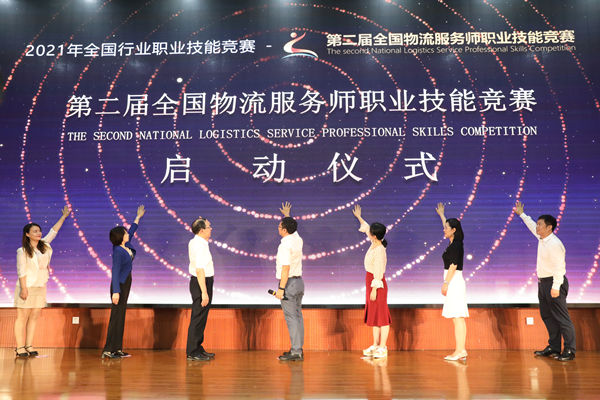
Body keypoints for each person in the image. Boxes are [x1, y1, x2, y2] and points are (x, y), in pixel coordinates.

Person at [514, 201, 576, 361]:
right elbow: (531, 225)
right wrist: (522, 214)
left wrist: (556, 287)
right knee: (547, 316)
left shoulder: (555, 244)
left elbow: (559, 267)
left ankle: (570, 350)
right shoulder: (543, 239)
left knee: (562, 318)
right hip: (543, 283)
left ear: (549, 227)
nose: (537, 227)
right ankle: (554, 347)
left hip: (554, 283)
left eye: (540, 224)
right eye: (537, 224)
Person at [14, 206, 70, 357]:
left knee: (34, 316)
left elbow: (53, 231)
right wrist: (24, 289)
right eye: (35, 231)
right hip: (27, 287)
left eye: (39, 231)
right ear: (27, 234)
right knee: (22, 317)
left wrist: (63, 216)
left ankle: (29, 345)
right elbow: (21, 271)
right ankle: (19, 347)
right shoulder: (22, 251)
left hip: (40, 286)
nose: (38, 233)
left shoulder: (44, 245)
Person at [101, 205, 145, 359]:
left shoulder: (126, 245)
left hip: (126, 282)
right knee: (116, 317)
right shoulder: (118, 251)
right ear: (120, 236)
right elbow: (115, 271)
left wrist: (138, 217)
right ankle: (108, 349)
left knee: (121, 316)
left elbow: (132, 231)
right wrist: (115, 291)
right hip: (119, 285)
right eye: (125, 233)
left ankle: (117, 348)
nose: (127, 234)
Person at [352, 205, 392, 359]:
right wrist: (359, 217)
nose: (368, 234)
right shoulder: (374, 243)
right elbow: (367, 228)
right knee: (375, 316)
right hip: (370, 281)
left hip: (377, 284)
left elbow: (379, 271)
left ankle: (383, 347)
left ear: (375, 236)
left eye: (371, 233)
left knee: (382, 316)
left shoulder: (380, 249)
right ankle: (375, 344)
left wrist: (374, 289)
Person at [435, 203, 469, 361]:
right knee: (457, 318)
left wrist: (446, 283)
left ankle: (460, 350)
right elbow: (448, 226)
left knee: (458, 317)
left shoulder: (456, 245)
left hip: (454, 281)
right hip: (453, 280)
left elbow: (453, 265)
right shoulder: (453, 242)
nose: (444, 230)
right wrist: (442, 215)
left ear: (453, 230)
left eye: (446, 228)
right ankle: (461, 350)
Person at [273, 202, 305, 361]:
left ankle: (296, 351)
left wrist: (281, 288)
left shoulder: (285, 245)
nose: (278, 228)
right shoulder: (297, 239)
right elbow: (294, 230)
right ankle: (297, 349)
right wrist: (287, 215)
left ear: (284, 230)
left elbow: (285, 268)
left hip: (289, 284)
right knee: (298, 317)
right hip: (299, 283)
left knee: (292, 318)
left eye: (280, 226)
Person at [186, 217, 216, 361]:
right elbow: (199, 269)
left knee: (201, 318)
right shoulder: (198, 245)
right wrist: (204, 292)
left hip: (203, 281)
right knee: (198, 318)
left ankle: (197, 347)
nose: (211, 229)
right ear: (202, 230)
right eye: (209, 227)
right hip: (201, 282)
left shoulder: (199, 242)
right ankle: (192, 351)